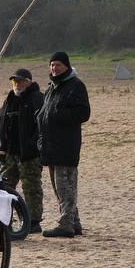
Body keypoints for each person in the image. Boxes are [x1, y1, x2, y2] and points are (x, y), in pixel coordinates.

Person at [37, 52, 90, 238]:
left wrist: (57, 116)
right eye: (52, 64)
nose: (54, 68)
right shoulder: (52, 87)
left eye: (58, 65)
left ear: (66, 66)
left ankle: (66, 224)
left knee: (66, 186)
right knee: (58, 187)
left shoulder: (76, 86)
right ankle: (74, 222)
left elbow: (83, 113)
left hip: (66, 146)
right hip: (51, 146)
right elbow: (44, 113)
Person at [0, 68, 45, 233]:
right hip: (9, 152)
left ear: (28, 82)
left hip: (29, 154)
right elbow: (0, 121)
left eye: (20, 81)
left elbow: (42, 125)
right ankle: (0, 219)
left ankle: (33, 221)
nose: (17, 84)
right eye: (14, 81)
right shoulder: (10, 98)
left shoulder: (37, 98)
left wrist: (33, 145)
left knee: (31, 186)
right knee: (3, 185)